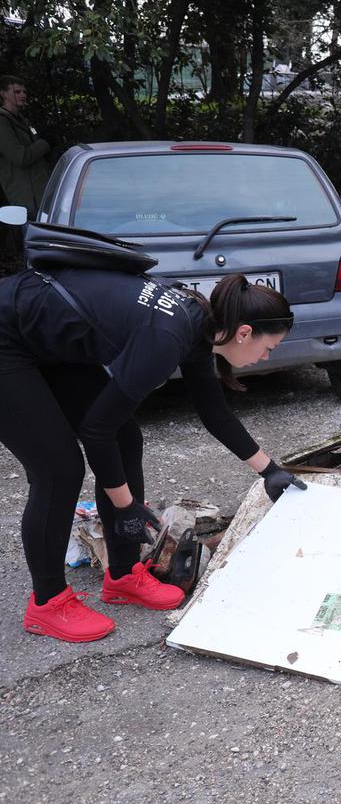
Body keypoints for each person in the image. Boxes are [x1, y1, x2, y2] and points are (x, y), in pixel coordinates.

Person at [0, 267, 307, 643]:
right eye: (268, 347)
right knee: (58, 468)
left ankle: (124, 575)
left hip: (45, 339)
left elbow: (214, 413)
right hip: (6, 337)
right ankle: (47, 604)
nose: (264, 357)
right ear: (245, 332)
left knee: (127, 439)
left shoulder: (200, 323)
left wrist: (270, 472)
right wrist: (126, 505)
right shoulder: (166, 338)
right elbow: (97, 432)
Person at [0, 75, 53, 217]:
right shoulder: (2, 121)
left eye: (24, 92)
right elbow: (20, 157)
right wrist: (44, 143)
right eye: (17, 92)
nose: (23, 95)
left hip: (40, 195)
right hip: (26, 201)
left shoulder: (23, 120)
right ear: (3, 94)